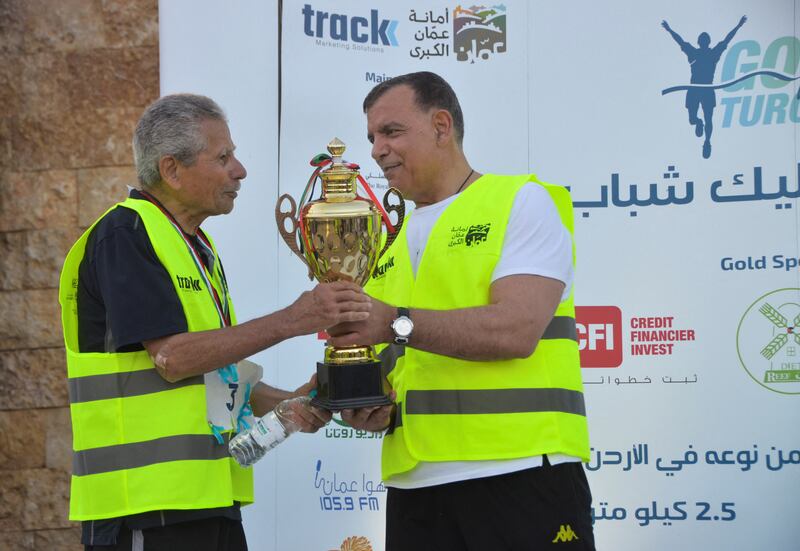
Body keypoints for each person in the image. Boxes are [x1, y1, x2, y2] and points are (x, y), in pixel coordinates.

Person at [59, 94, 371, 551]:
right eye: (223, 157)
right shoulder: (126, 236)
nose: (239, 169)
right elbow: (173, 358)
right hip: (145, 509)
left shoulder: (194, 246)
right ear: (171, 169)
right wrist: (294, 319)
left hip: (208, 503)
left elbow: (215, 381)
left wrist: (296, 401)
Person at [327, 72, 594, 550]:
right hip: (415, 489)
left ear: (441, 126)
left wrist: (392, 321)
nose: (376, 150)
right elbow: (399, 363)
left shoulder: (520, 201)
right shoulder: (383, 246)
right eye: (371, 137)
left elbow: (516, 330)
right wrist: (369, 403)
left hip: (521, 473)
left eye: (391, 131)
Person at [662, 16, 747, 159]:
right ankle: (698, 122)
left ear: (706, 42)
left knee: (709, 118)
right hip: (695, 90)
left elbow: (727, 40)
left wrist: (738, 26)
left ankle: (707, 141)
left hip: (706, 90)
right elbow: (680, 41)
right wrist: (669, 30)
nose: (703, 42)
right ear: (701, 42)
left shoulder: (711, 53)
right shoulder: (695, 52)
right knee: (693, 120)